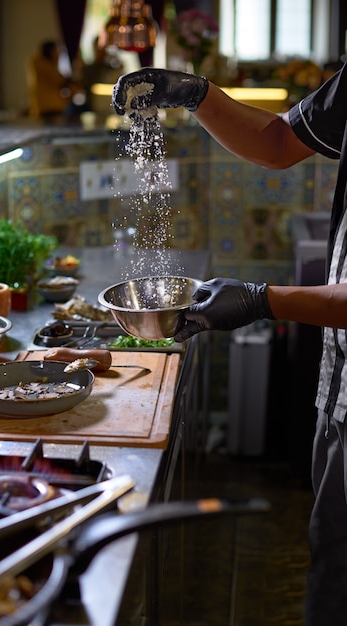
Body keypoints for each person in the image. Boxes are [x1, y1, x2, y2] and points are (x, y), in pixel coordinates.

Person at [112, 65, 347, 626]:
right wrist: (199, 95)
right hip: (341, 384)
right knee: (334, 559)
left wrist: (263, 300)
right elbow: (276, 141)